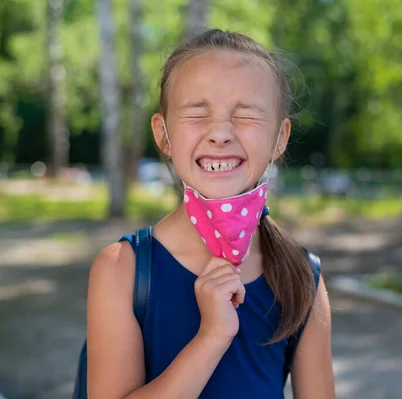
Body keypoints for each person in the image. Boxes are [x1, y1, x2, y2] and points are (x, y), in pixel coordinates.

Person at [86, 29, 335, 398]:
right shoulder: (121, 269)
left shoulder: (302, 277)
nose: (220, 133)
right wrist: (212, 337)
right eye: (197, 114)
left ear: (280, 137)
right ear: (163, 134)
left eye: (246, 115)